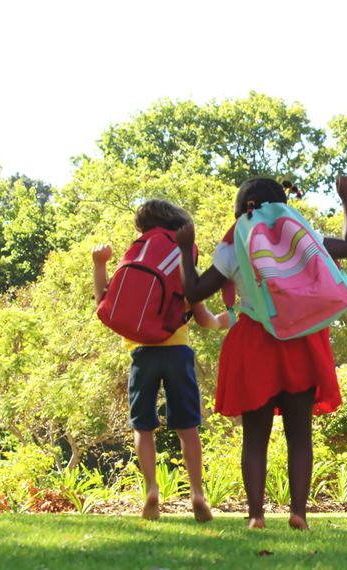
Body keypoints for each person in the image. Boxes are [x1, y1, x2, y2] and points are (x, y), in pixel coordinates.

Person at [174, 176, 347, 530]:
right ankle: (299, 514)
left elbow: (195, 291)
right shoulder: (299, 236)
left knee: (255, 437)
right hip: (302, 339)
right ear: (282, 206)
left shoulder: (235, 243)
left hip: (255, 340)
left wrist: (186, 248)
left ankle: (256, 516)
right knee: (300, 436)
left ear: (241, 208)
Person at [91, 199, 229, 522]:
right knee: (187, 426)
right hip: (177, 350)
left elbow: (103, 303)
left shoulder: (137, 252)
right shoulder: (181, 254)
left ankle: (152, 488)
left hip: (141, 354)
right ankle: (197, 493)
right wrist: (228, 319)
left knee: (143, 425)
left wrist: (99, 264)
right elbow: (203, 316)